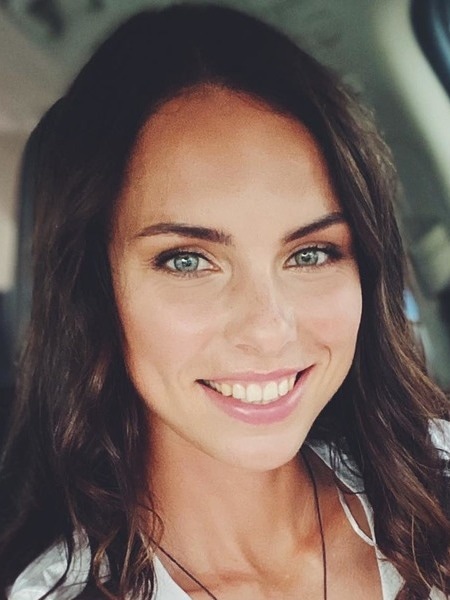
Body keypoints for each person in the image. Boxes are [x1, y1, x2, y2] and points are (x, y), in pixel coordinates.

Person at [0, 3, 449, 599]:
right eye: (188, 260)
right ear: (95, 291)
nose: (269, 329)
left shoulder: (437, 476)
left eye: (311, 253)